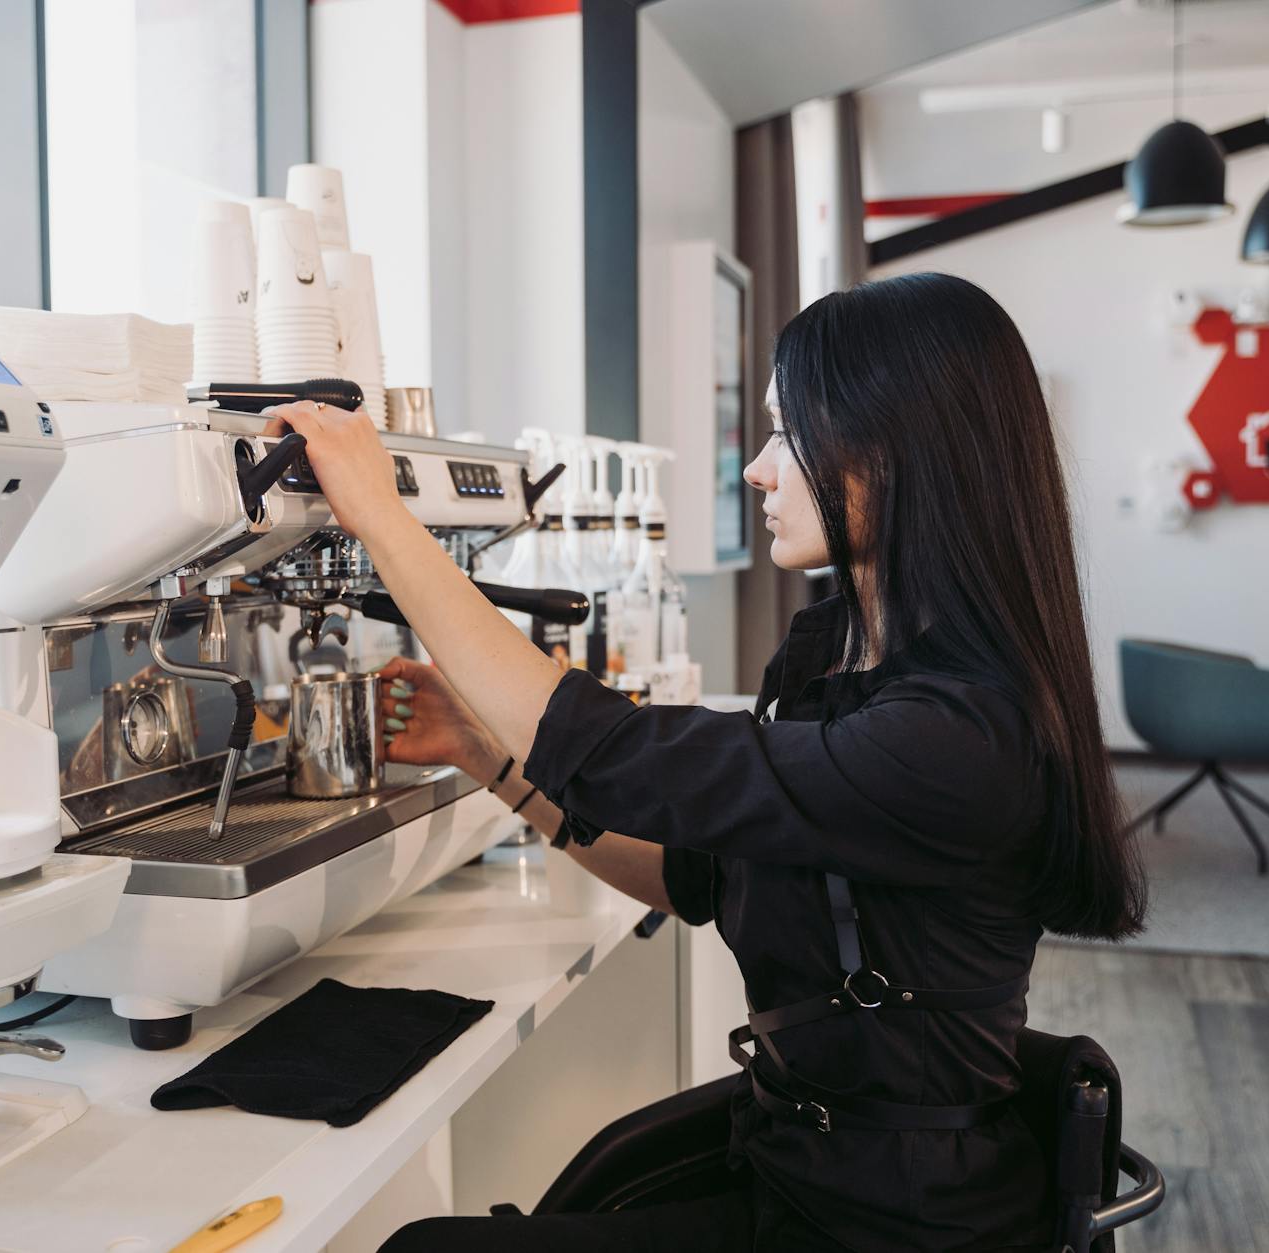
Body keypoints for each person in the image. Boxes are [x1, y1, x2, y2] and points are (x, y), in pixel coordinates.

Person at [265, 272, 1147, 1252]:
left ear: (893, 453)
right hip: (794, 1167)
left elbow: (619, 752)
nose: (758, 471)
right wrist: (487, 755)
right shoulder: (827, 657)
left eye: (787, 433)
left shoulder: (955, 736)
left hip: (894, 1224)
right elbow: (690, 870)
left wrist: (386, 521)